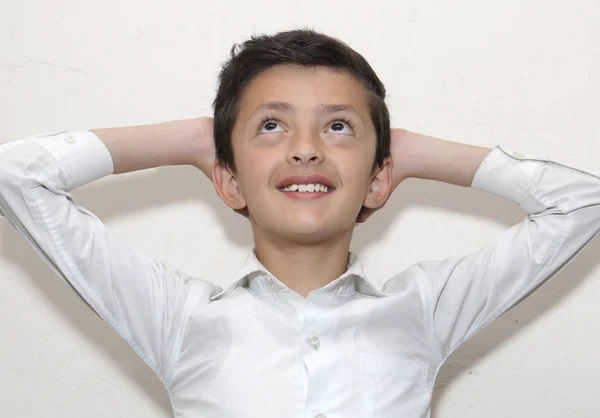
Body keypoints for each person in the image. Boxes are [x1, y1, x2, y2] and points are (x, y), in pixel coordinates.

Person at [0, 28, 598, 418]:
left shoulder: (425, 310)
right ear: (228, 180)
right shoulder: (178, 318)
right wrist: (192, 138)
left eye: (338, 127)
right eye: (271, 126)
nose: (306, 149)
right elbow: (15, 177)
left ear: (377, 179)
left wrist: (414, 151)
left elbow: (583, 204)